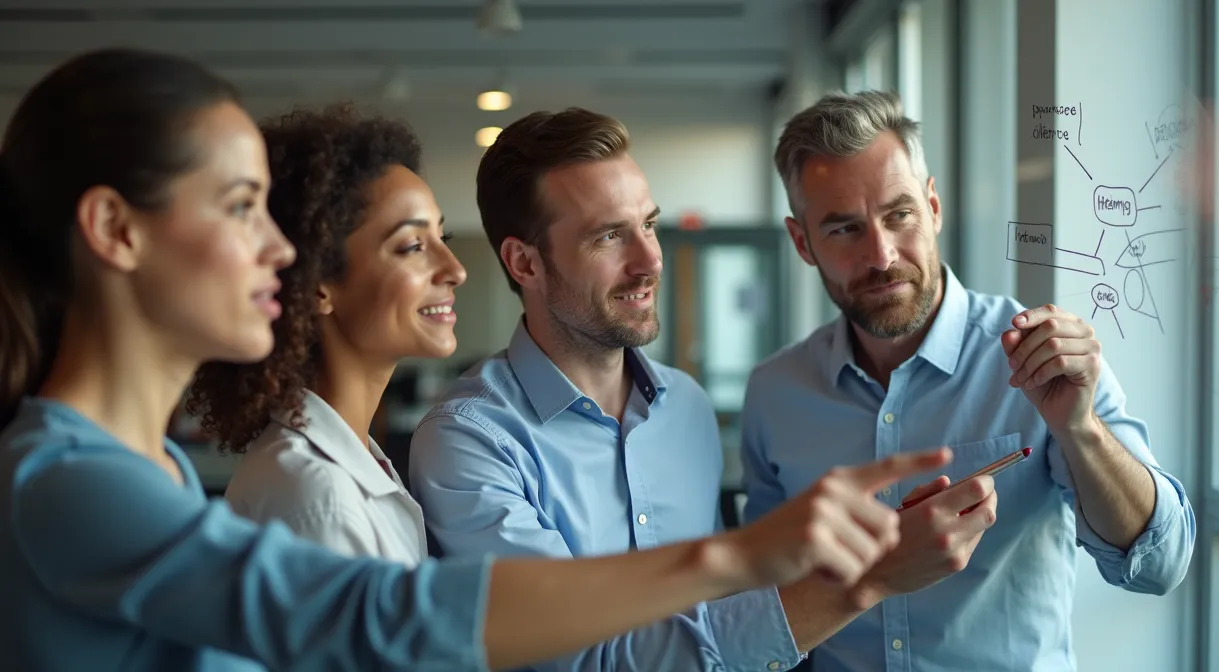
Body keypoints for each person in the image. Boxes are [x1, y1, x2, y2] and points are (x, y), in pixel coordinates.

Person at [0, 49, 944, 671]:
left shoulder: (147, 469)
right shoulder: (62, 480)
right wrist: (748, 557)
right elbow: (385, 618)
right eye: (240, 206)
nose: (279, 250)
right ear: (116, 230)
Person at [408, 107, 964, 671]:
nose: (650, 260)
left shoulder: (687, 407)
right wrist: (870, 583)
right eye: (608, 236)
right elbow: (582, 661)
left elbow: (729, 609)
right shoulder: (469, 442)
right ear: (524, 263)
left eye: (648, 224)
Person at [739, 89, 1197, 671]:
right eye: (845, 229)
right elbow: (764, 597)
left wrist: (1079, 428)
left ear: (932, 208)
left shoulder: (1045, 358)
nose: (881, 255)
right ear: (803, 242)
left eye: (898, 214)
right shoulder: (775, 393)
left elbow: (1160, 564)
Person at [186, 104, 457, 567]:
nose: (454, 269)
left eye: (441, 239)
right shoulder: (318, 497)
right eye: (413, 246)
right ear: (318, 287)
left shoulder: (353, 464)